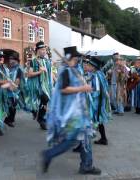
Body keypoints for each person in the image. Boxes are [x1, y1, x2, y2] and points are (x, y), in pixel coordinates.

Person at [41, 46, 101, 175]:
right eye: (77, 57)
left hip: (78, 113)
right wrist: (82, 89)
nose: (79, 59)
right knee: (71, 141)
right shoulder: (66, 71)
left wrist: (84, 85)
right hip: (72, 115)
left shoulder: (72, 70)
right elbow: (64, 89)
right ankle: (49, 154)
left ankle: (86, 165)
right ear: (72, 58)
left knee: (85, 137)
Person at [84, 56, 111, 145]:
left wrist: (89, 95)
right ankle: (104, 138)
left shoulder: (96, 76)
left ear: (93, 67)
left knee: (92, 119)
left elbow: (97, 90)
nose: (86, 66)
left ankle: (84, 143)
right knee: (99, 121)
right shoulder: (98, 74)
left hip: (96, 102)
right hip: (98, 102)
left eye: (88, 65)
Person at [26, 41, 52, 130]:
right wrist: (40, 72)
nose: (44, 51)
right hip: (36, 85)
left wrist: (55, 81)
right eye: (42, 49)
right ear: (37, 50)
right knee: (44, 99)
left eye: (45, 49)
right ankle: (40, 118)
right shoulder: (34, 61)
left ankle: (39, 116)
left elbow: (50, 73)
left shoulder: (47, 61)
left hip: (46, 85)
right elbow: (29, 74)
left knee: (45, 100)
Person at [4, 54, 24, 127]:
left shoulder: (18, 68)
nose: (10, 61)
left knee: (13, 105)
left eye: (12, 59)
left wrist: (14, 87)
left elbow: (18, 79)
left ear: (16, 61)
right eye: (10, 59)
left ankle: (10, 120)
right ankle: (9, 119)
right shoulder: (11, 68)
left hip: (15, 90)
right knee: (11, 105)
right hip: (9, 89)